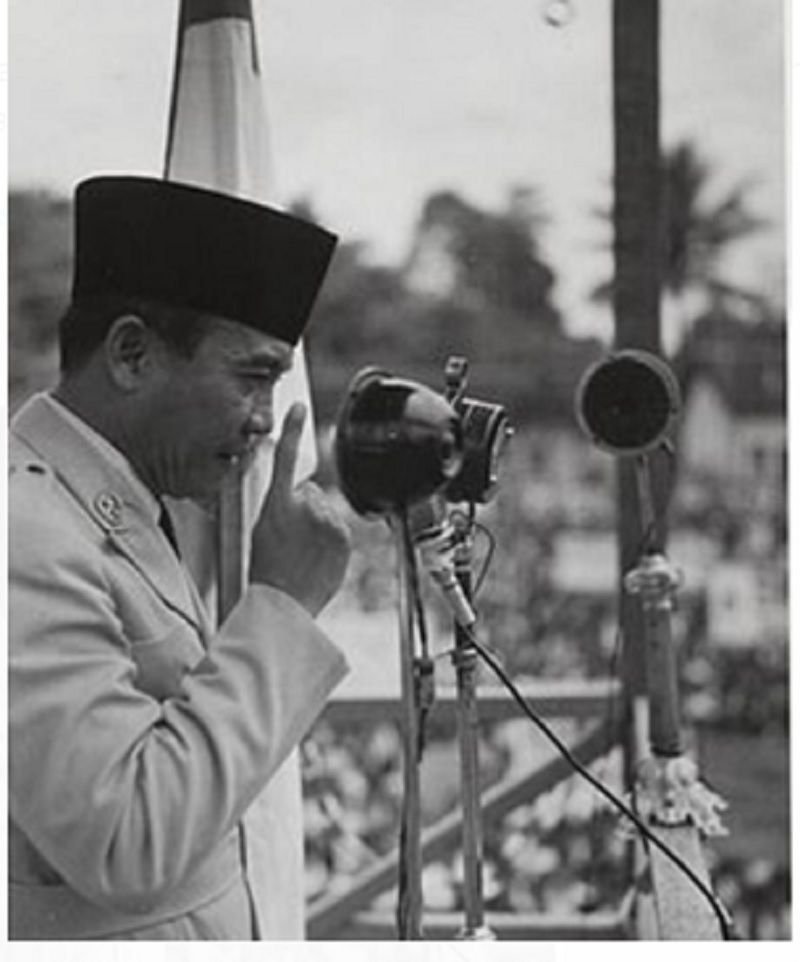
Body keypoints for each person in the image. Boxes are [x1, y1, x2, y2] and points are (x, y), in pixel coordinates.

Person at [8, 175, 352, 940]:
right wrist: (282, 606)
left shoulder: (115, 503)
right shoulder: (25, 531)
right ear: (132, 354)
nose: (264, 422)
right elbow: (125, 842)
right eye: (253, 378)